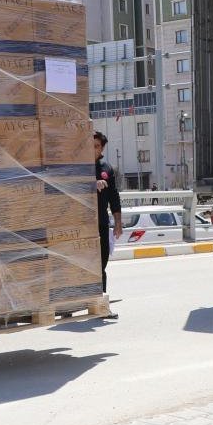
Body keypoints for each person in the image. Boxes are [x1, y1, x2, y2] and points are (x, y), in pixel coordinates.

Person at [93, 131, 122, 319]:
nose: (92, 150)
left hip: (101, 223)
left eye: (96, 146)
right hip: (82, 225)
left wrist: (118, 223)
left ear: (102, 149)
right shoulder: (77, 166)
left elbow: (114, 198)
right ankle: (69, 306)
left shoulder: (106, 168)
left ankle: (102, 307)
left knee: (101, 265)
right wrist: (92, 184)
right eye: (89, 145)